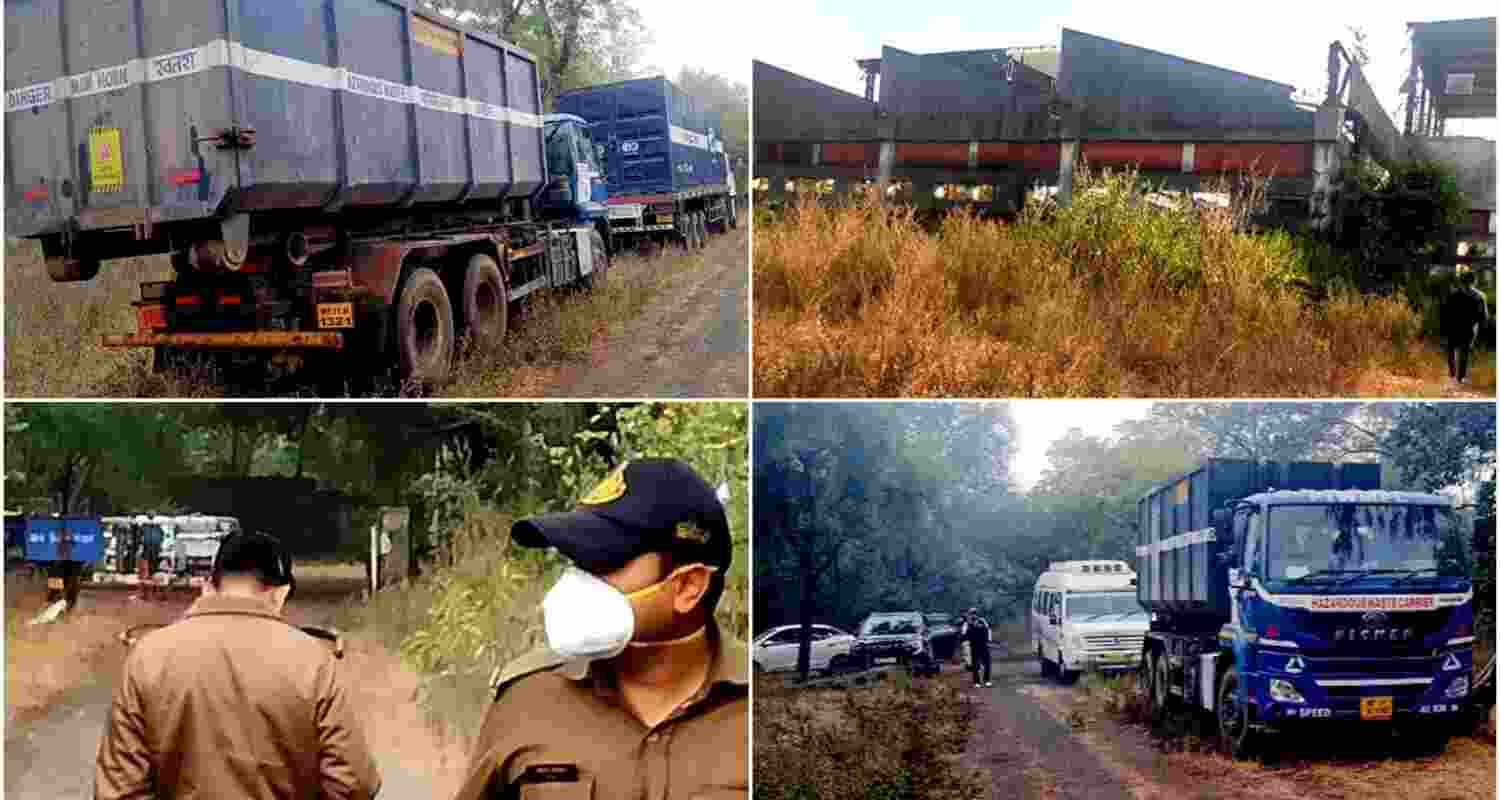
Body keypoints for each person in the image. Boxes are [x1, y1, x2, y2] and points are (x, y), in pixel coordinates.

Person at [452, 458, 747, 800]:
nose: (576, 582)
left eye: (603, 561)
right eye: (576, 561)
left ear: (687, 587)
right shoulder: (527, 700)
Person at [95, 530, 381, 800]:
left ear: (208, 587)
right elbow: (354, 782)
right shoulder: (313, 660)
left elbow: (120, 788)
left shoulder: (149, 656)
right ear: (280, 593)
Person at [1440, 268, 1489, 384]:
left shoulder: (1453, 294)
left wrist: (1444, 327)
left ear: (1461, 281)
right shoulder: (1480, 296)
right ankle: (1460, 377)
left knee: (1451, 349)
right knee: (1464, 352)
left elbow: (1445, 312)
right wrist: (1480, 328)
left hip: (1454, 327)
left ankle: (1452, 373)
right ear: (1474, 281)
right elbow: (1483, 317)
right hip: (1469, 328)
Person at [960, 608, 993, 688]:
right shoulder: (967, 623)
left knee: (987, 663)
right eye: (972, 613)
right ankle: (976, 682)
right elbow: (963, 634)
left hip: (983, 644)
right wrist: (965, 643)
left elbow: (988, 630)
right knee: (975, 665)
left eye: (975, 613)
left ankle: (987, 680)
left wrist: (989, 640)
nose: (974, 615)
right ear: (970, 614)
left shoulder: (982, 621)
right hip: (974, 646)